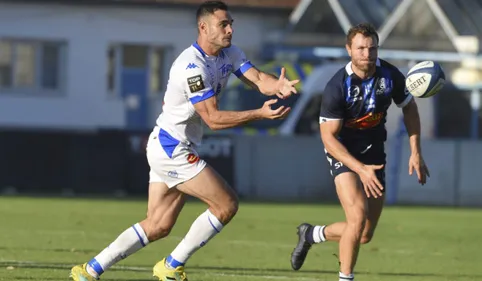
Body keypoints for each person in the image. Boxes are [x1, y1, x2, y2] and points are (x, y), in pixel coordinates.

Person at [70, 1, 299, 281]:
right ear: (203, 28)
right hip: (172, 149)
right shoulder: (191, 66)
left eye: (231, 23)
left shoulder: (230, 52)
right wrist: (259, 114)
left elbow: (259, 79)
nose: (230, 29)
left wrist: (278, 85)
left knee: (158, 225)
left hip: (169, 144)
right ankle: (170, 265)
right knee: (226, 204)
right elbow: (213, 119)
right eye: (223, 24)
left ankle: (89, 270)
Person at [290, 23, 430, 281]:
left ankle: (311, 234)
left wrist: (415, 151)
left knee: (364, 234)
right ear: (349, 50)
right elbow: (328, 137)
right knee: (356, 218)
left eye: (372, 48)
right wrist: (360, 169)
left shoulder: (390, 76)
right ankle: (346, 278)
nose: (367, 53)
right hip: (342, 151)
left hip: (374, 155)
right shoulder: (337, 87)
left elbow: (409, 108)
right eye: (361, 48)